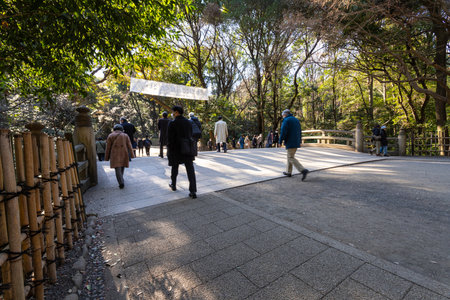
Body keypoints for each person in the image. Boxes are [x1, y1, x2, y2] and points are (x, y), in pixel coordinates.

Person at [167, 106, 197, 198]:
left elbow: (170, 138)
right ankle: (193, 191)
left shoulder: (172, 123)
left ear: (176, 112)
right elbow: (191, 134)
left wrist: (169, 150)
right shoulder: (188, 122)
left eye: (173, 112)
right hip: (187, 148)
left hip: (176, 149)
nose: (172, 114)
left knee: (174, 168)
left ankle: (174, 185)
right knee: (190, 170)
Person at [279, 109, 309, 181]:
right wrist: (300, 141)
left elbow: (283, 132)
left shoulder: (286, 120)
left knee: (290, 157)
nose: (282, 116)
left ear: (285, 114)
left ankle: (303, 170)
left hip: (290, 141)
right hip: (296, 141)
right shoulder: (296, 120)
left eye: (282, 115)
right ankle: (288, 172)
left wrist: (280, 141)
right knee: (290, 156)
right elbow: (299, 131)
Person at [105, 124, 134, 189]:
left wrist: (107, 157)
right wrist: (132, 155)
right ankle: (121, 180)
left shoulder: (110, 135)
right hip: (124, 153)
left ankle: (121, 182)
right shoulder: (125, 135)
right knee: (122, 167)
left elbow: (108, 148)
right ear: (121, 129)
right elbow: (129, 146)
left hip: (114, 154)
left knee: (117, 168)